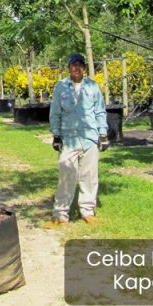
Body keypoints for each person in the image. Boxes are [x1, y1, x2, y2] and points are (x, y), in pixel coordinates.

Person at [48, 53, 108, 226]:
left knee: (89, 176)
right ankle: (60, 214)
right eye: (73, 65)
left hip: (90, 137)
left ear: (84, 68)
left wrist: (102, 134)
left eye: (80, 65)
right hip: (69, 138)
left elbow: (100, 111)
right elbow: (55, 112)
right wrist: (56, 135)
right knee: (66, 175)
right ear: (69, 68)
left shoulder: (93, 86)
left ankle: (87, 211)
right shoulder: (61, 87)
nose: (76, 68)